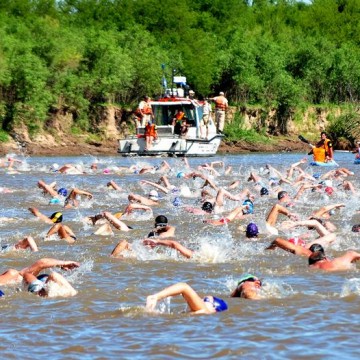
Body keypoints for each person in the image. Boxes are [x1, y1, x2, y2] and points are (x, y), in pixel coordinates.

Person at [146, 282, 228, 314]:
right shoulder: (199, 312)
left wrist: (156, 297)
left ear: (214, 308)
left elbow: (184, 287)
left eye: (206, 300)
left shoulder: (205, 310)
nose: (201, 300)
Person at [0, 258, 80, 286]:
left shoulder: (12, 274)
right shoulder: (13, 275)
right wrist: (63, 263)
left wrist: (63, 264)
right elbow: (41, 263)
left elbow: (41, 263)